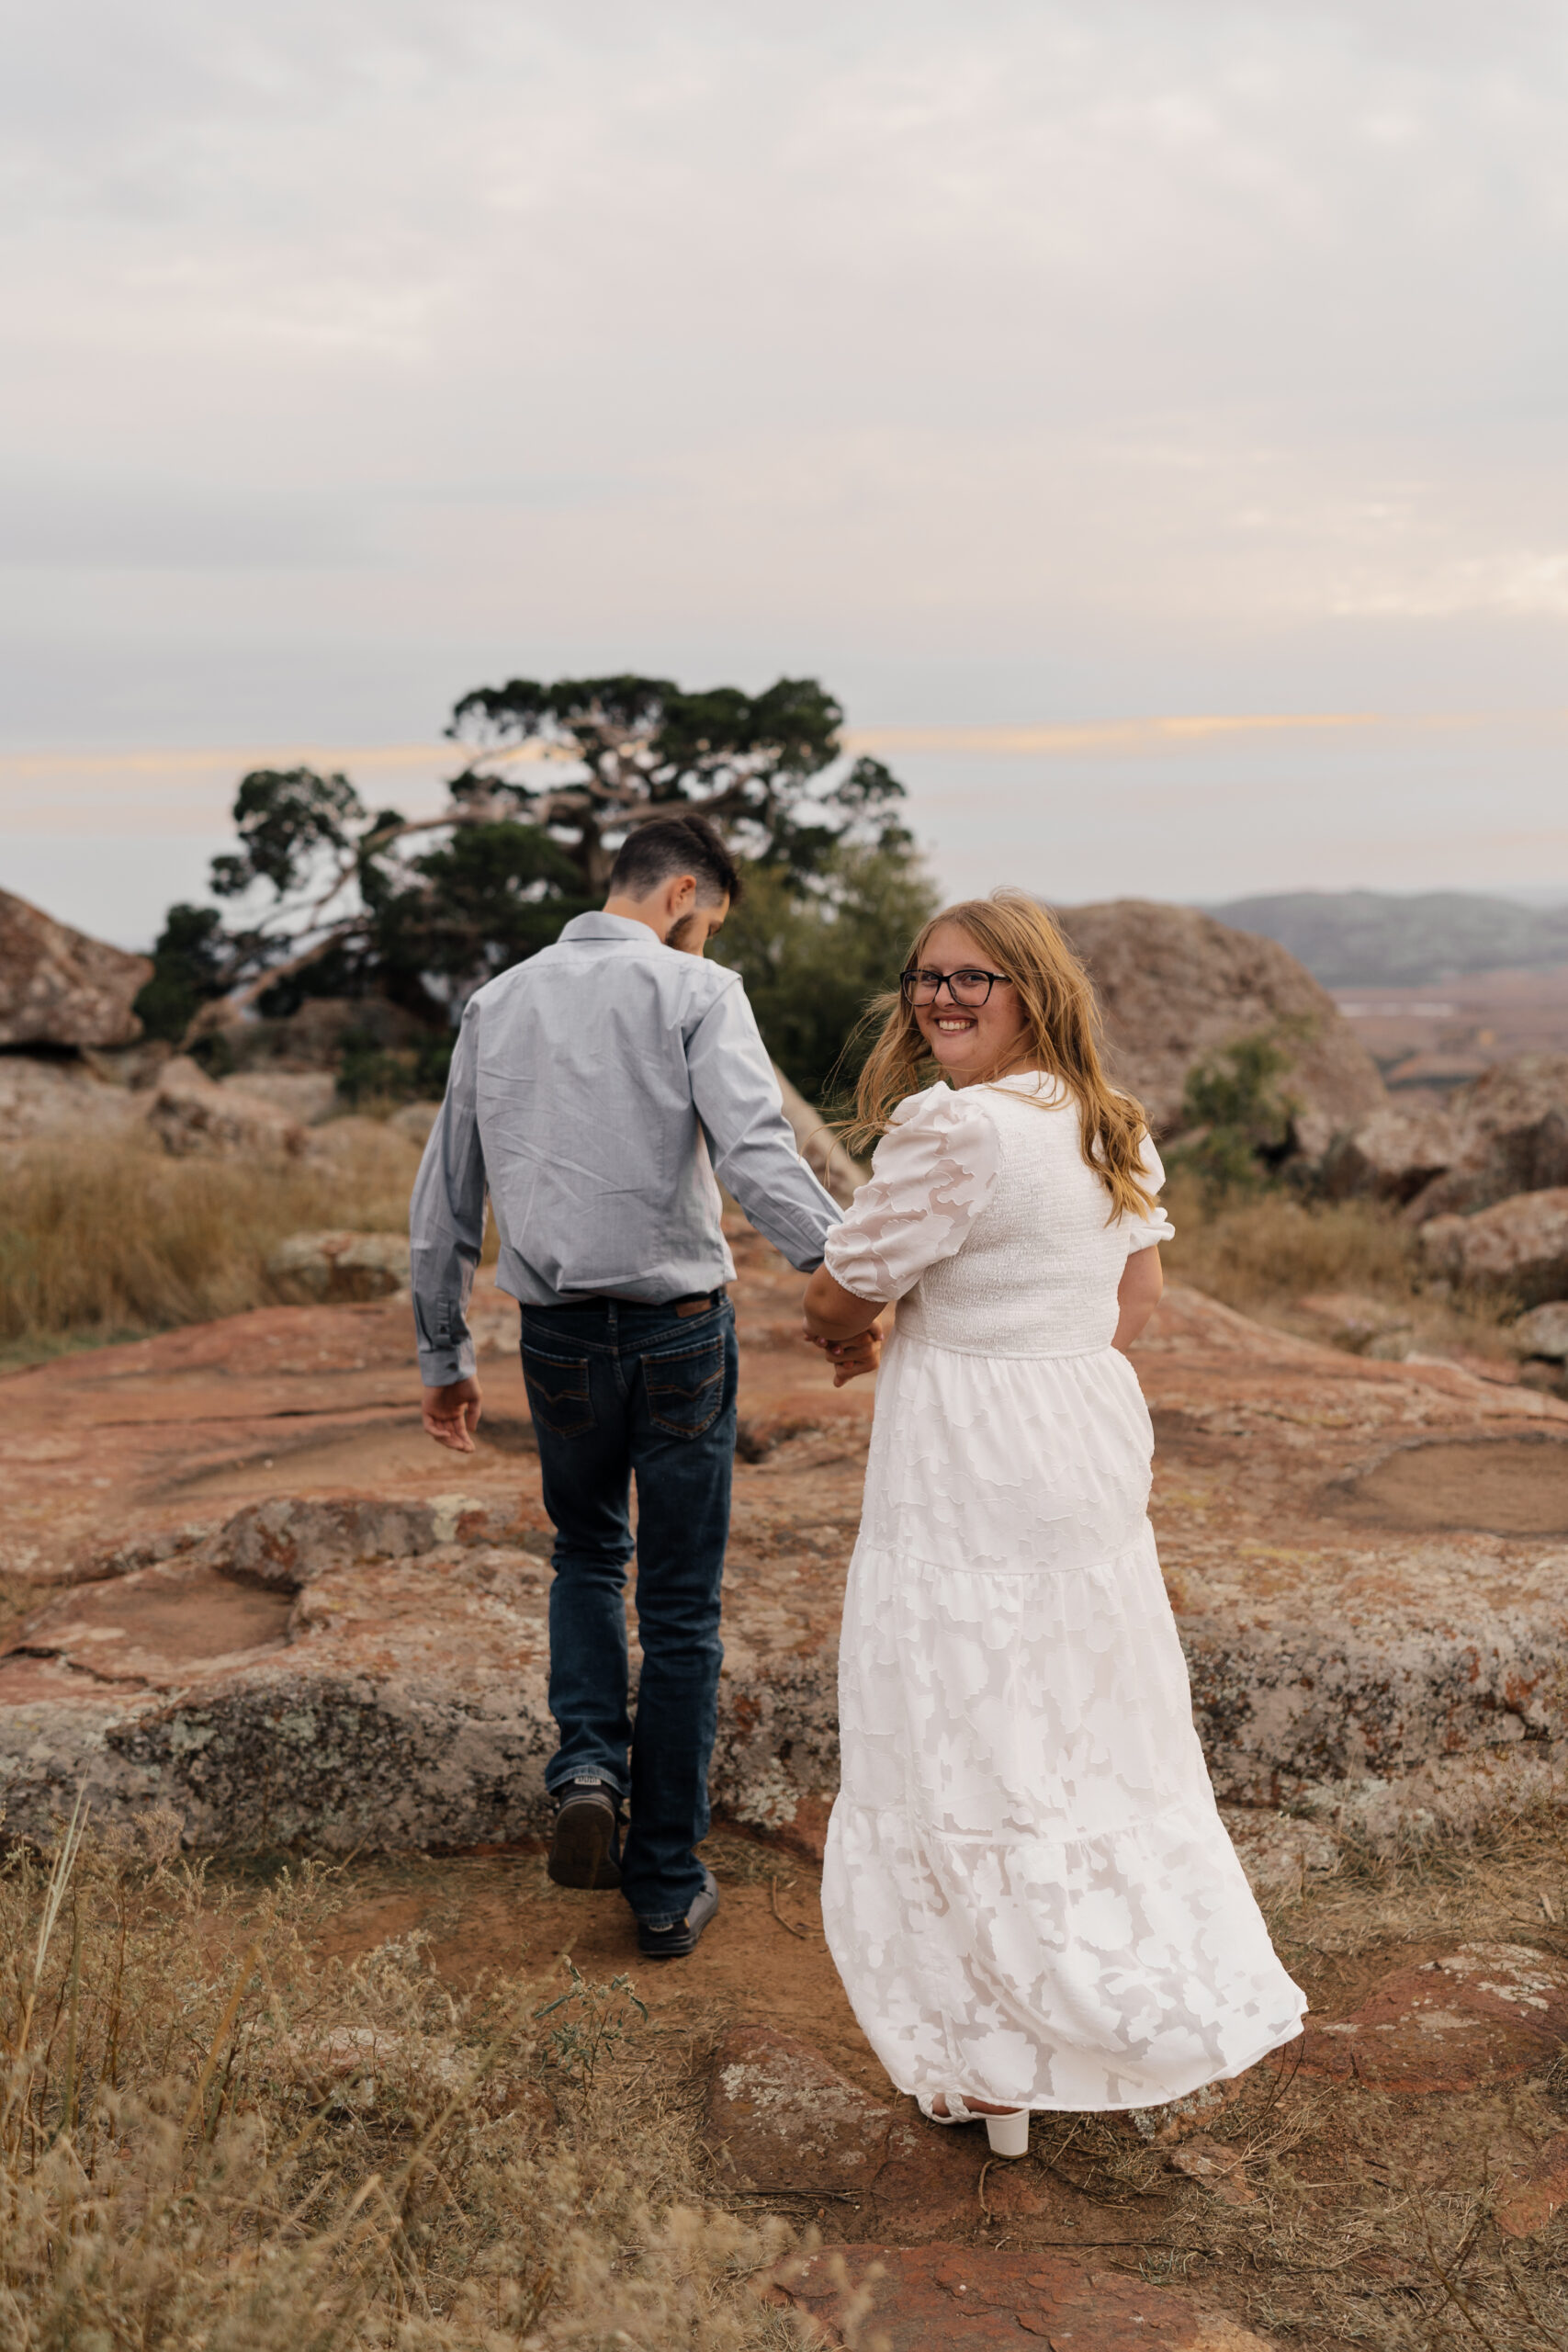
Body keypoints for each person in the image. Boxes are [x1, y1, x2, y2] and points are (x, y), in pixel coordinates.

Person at [803, 889, 1304, 2158]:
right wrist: (1037, 1354)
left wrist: (870, 1334)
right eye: (926, 979)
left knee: (965, 1727)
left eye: (972, 979)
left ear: (1032, 989)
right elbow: (1135, 1302)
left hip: (969, 1446)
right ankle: (1059, 2029)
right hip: (1081, 1429)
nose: (941, 999)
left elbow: (839, 1287)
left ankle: (991, 2063)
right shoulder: (1105, 1121)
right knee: (1077, 1723)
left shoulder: (953, 1129)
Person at [410, 811, 874, 1957]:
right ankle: (664, 1881)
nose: (703, 942)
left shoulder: (497, 1000)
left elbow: (446, 1200)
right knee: (678, 1610)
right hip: (677, 1336)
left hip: (557, 1336)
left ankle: (584, 1766)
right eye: (706, 923)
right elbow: (760, 1150)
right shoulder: (694, 992)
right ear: (681, 897)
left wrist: (443, 1355)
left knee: (583, 1552)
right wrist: (850, 1277)